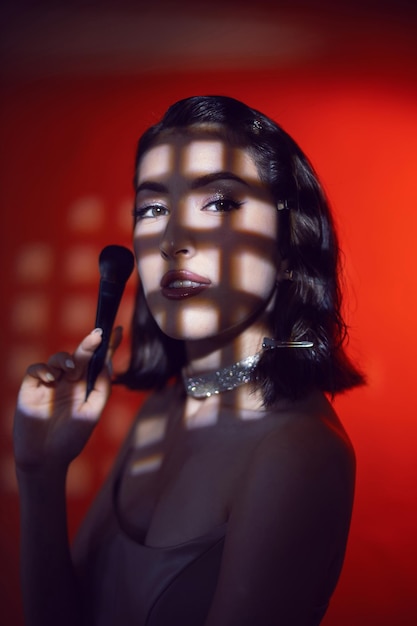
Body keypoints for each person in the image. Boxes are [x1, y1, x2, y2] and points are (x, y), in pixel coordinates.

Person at [13, 95, 365, 626]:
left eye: (220, 202)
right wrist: (38, 474)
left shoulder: (296, 451)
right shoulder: (160, 411)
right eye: (153, 209)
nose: (173, 240)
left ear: (290, 246)